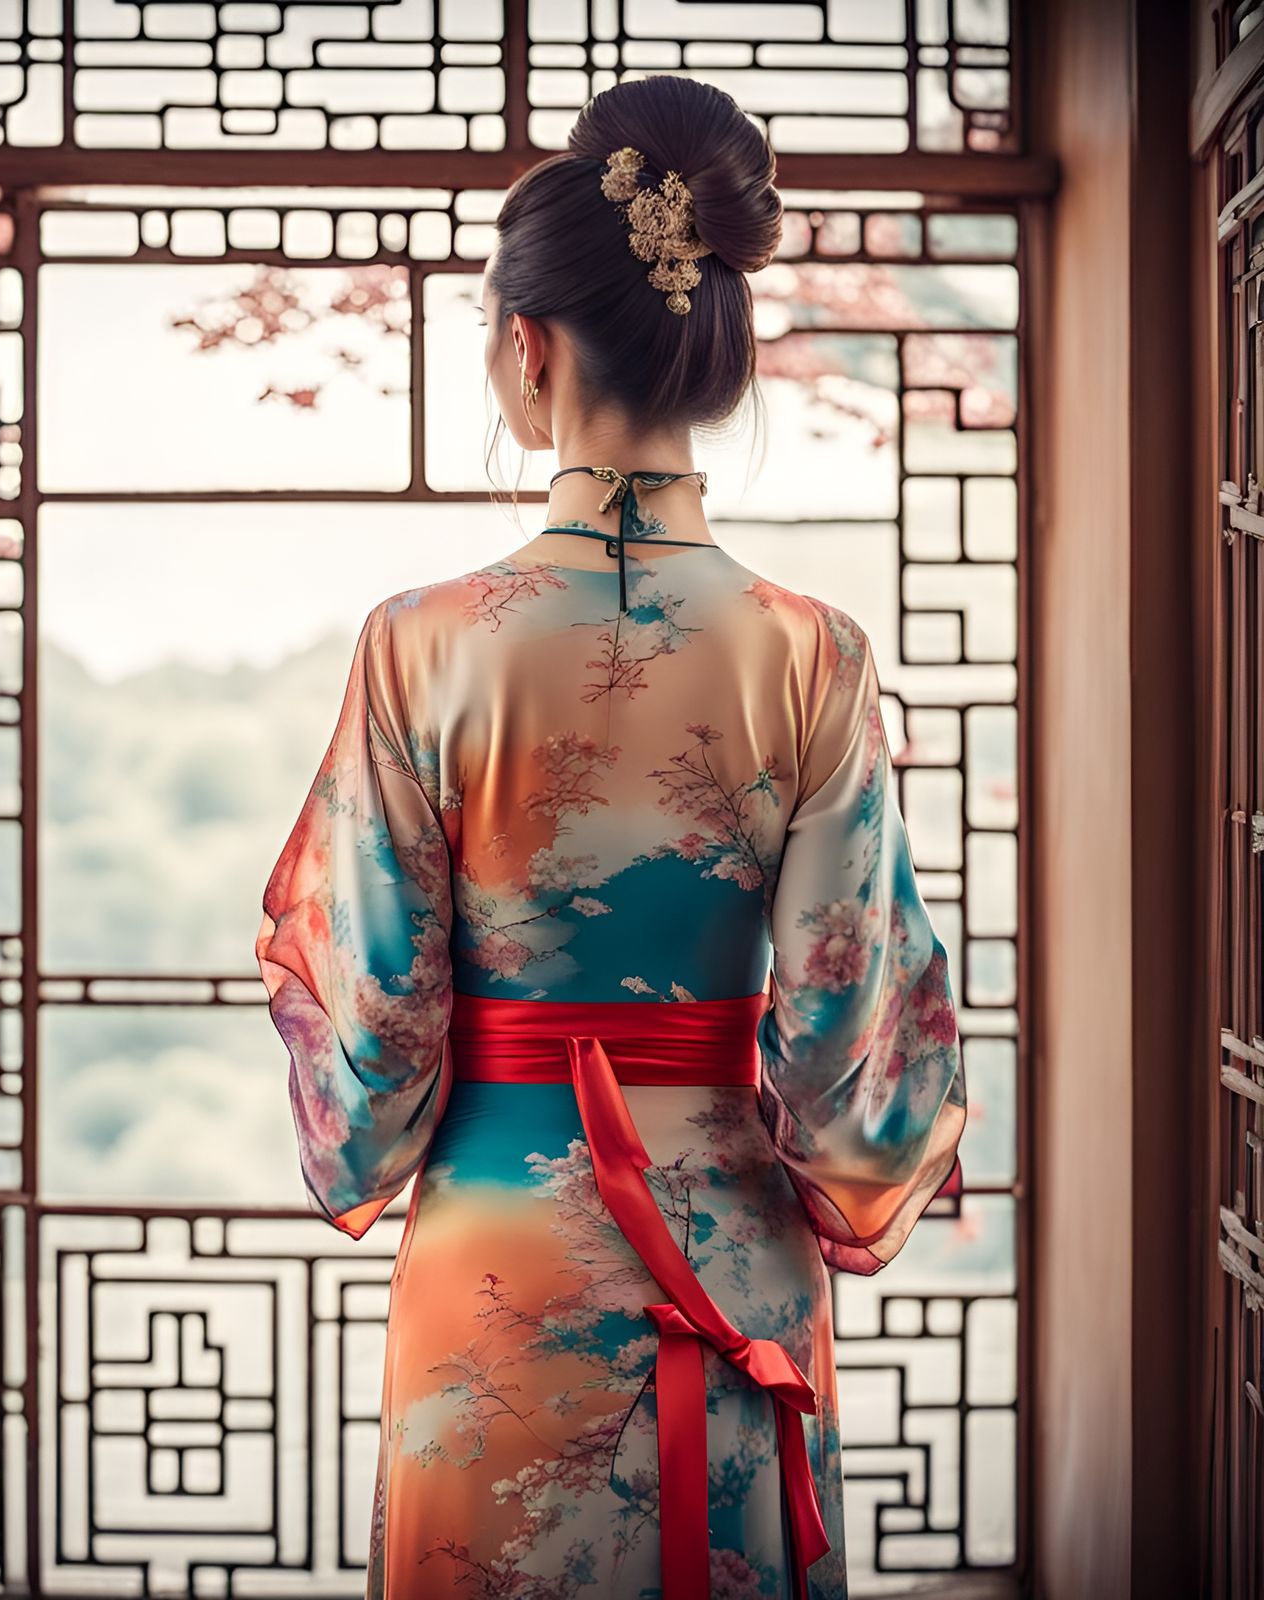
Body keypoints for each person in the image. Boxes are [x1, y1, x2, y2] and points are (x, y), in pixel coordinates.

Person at [256, 72, 966, 1600]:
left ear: (527, 348)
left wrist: (371, 1137)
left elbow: (374, 1026)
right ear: (713, 351)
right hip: (733, 1252)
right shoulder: (814, 655)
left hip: (494, 1260)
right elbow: (859, 1039)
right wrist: (846, 1172)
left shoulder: (422, 647)